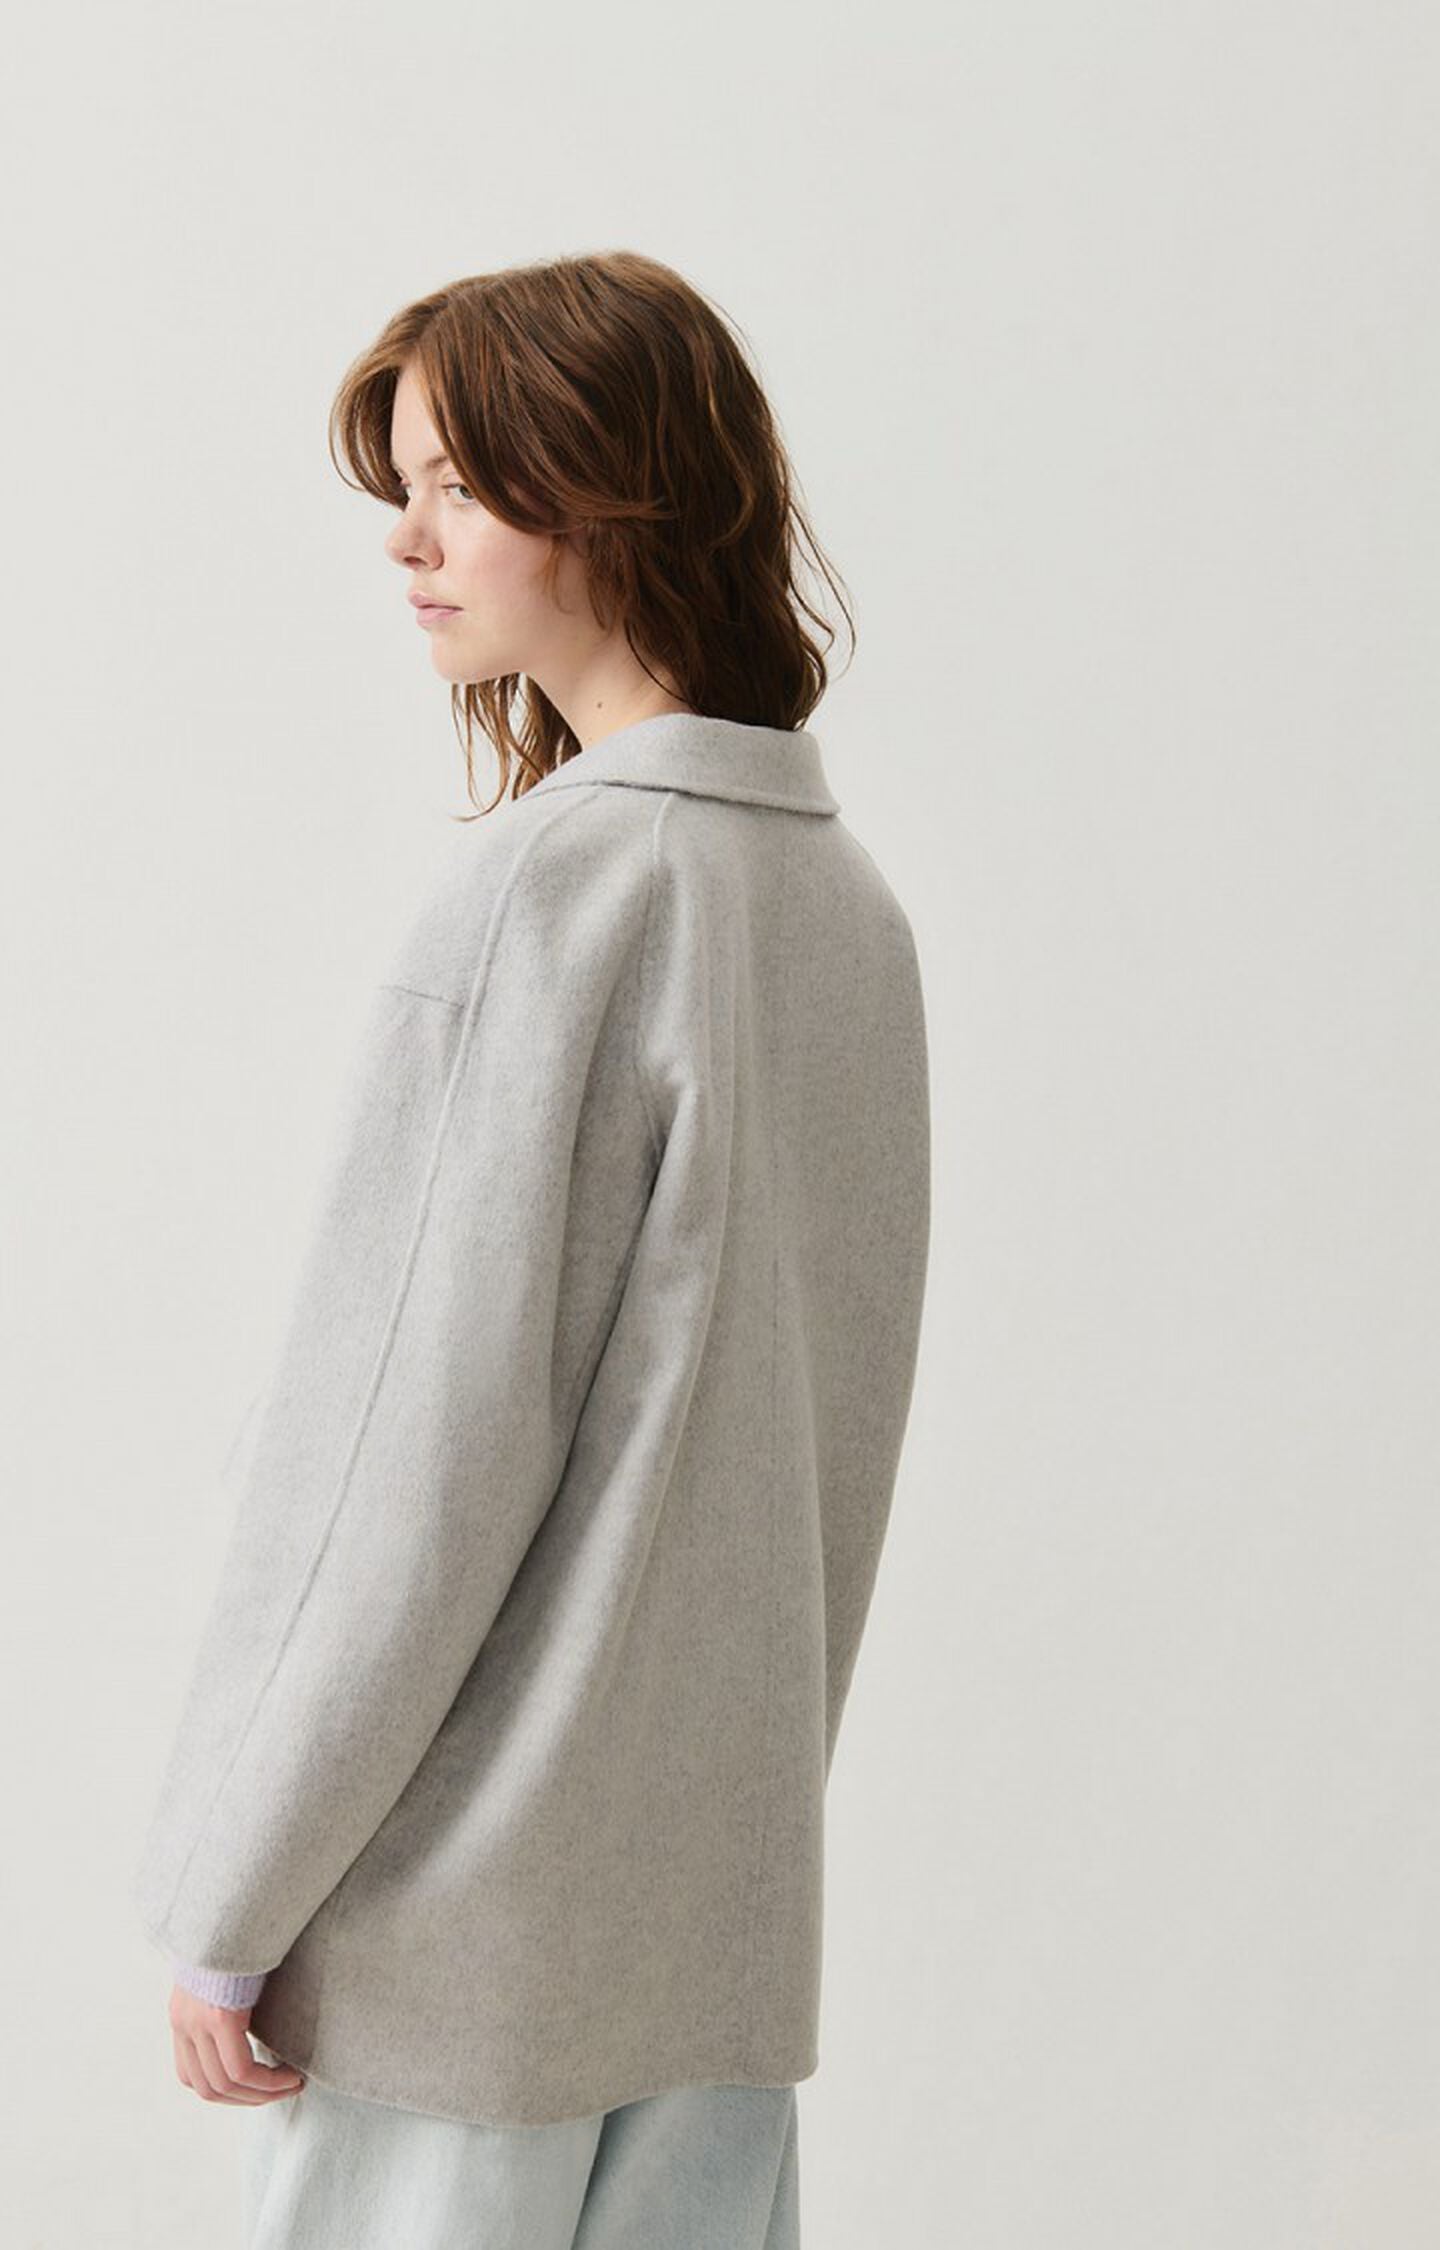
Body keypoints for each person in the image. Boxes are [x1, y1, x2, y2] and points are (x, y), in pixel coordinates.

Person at [130, 248, 931, 2249]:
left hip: (457, 1953)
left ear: (613, 494)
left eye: (457, 487)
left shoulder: (553, 898)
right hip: (713, 1945)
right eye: (402, 489)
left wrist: (231, 1890)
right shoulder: (844, 912)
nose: (405, 542)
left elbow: (405, 1452)